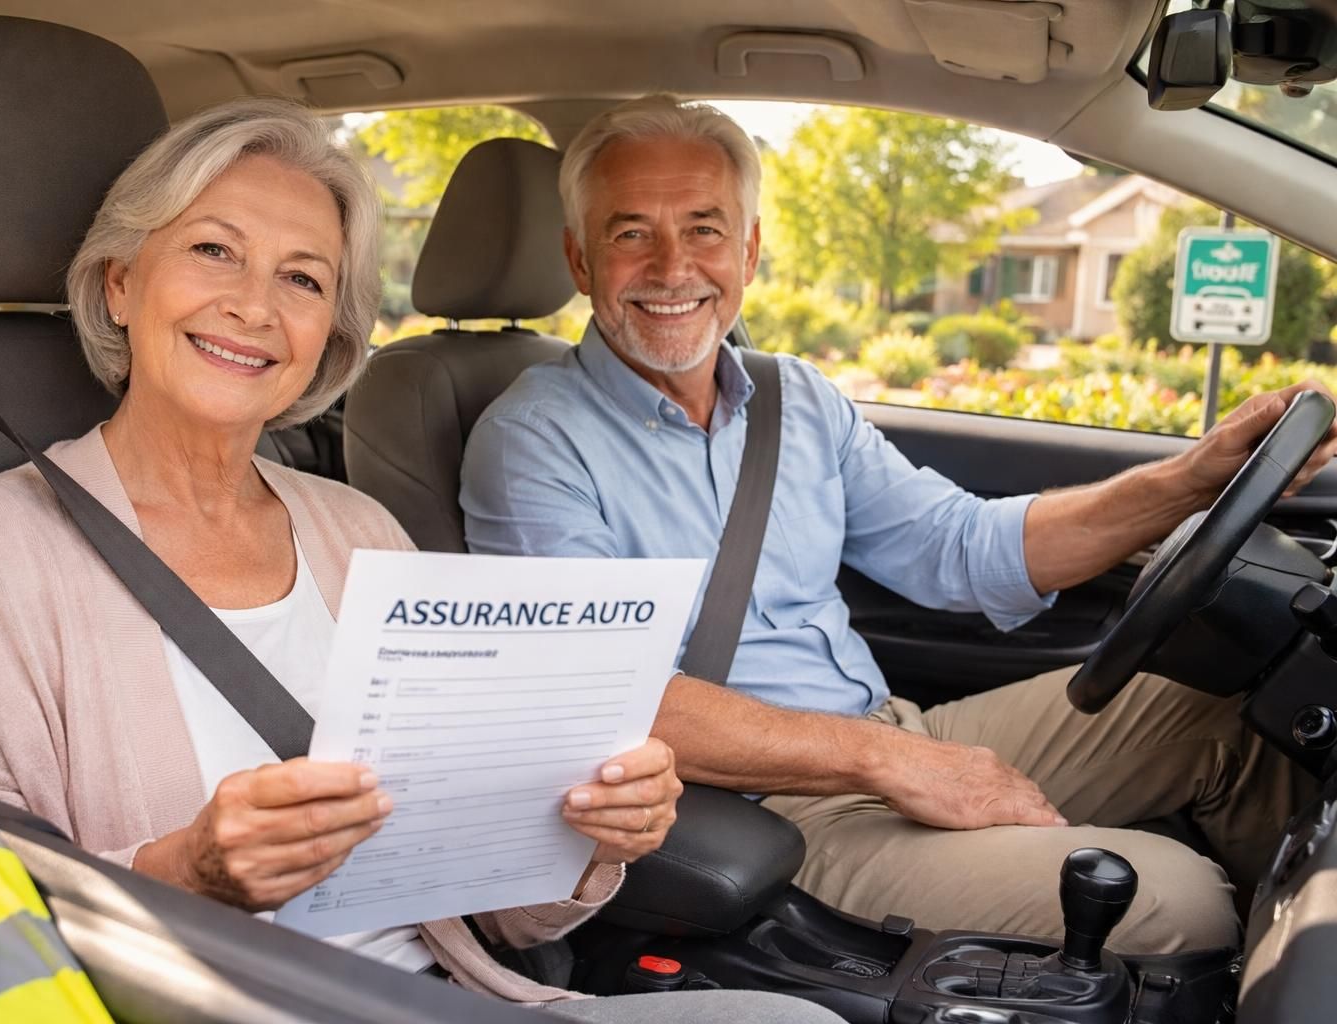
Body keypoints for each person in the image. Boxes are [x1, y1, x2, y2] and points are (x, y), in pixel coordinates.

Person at [0, 97, 838, 1024]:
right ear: (121, 280)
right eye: (214, 251)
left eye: (302, 277)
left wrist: (587, 839)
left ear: (331, 329)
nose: (254, 306)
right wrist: (191, 870)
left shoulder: (359, 530)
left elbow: (500, 921)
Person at [460, 93, 1337, 956]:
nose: (671, 265)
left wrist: (1195, 478)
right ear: (579, 260)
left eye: (704, 227)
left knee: (1226, 703)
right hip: (763, 810)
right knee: (1174, 897)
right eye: (629, 233)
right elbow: (602, 697)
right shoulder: (533, 440)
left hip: (889, 728)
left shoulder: (792, 399)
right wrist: (884, 763)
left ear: (751, 249)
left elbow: (960, 548)